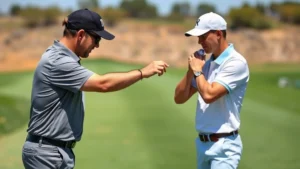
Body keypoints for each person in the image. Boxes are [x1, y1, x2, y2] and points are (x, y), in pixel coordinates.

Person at [22, 8, 169, 169]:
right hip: (46, 154)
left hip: (53, 151)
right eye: (96, 38)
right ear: (81, 35)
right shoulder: (58, 61)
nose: (97, 45)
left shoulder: (62, 57)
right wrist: (142, 72)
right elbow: (103, 84)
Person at [174, 12, 249, 169]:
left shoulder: (236, 62)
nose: (199, 41)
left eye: (203, 36)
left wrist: (197, 71)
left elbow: (209, 95)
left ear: (218, 34)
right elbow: (179, 98)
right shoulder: (206, 65)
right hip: (203, 146)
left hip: (224, 146)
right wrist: (190, 71)